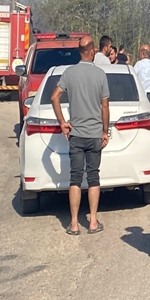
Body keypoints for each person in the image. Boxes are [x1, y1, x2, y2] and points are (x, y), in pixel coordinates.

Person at [51, 35, 110, 236]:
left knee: (75, 178)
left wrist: (62, 122)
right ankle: (92, 221)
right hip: (94, 135)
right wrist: (104, 131)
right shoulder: (100, 74)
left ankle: (74, 223)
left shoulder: (69, 73)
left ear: (79, 52)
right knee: (93, 177)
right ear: (93, 52)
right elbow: (104, 106)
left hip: (76, 134)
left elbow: (54, 97)